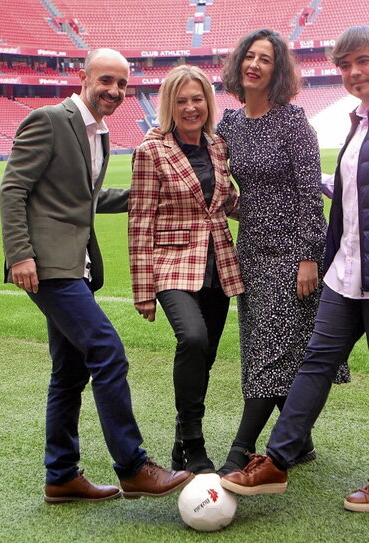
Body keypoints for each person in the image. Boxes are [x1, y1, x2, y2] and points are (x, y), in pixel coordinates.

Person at [220, 26, 369, 513]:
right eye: (344, 66)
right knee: (315, 362)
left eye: (362, 61)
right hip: (344, 274)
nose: (353, 73)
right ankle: (277, 459)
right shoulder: (361, 121)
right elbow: (347, 185)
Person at [0, 48, 192, 504]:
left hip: (76, 266)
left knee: (68, 373)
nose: (115, 91)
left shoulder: (98, 133)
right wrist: (20, 255)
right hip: (46, 266)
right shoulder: (48, 119)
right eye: (106, 80)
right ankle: (132, 466)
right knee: (107, 350)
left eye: (123, 84)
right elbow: (12, 188)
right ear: (83, 77)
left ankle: (61, 476)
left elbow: (83, 198)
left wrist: (141, 193)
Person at [215, 29, 350, 475]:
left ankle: (241, 449)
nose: (254, 64)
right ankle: (301, 440)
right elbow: (217, 181)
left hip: (294, 253)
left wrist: (309, 256)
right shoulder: (229, 125)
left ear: (278, 71)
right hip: (250, 251)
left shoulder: (294, 123)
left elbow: (311, 195)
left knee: (272, 351)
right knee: (264, 348)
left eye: (266, 59)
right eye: (249, 56)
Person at [128, 65, 244, 474]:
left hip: (219, 265)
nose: (191, 107)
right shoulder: (151, 152)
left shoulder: (217, 146)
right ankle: (194, 443)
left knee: (206, 356)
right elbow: (140, 219)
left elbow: (227, 202)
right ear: (169, 106)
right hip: (172, 265)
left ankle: (181, 441)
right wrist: (143, 290)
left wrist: (272, 209)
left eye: (197, 99)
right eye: (182, 101)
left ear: (208, 103)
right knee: (192, 339)